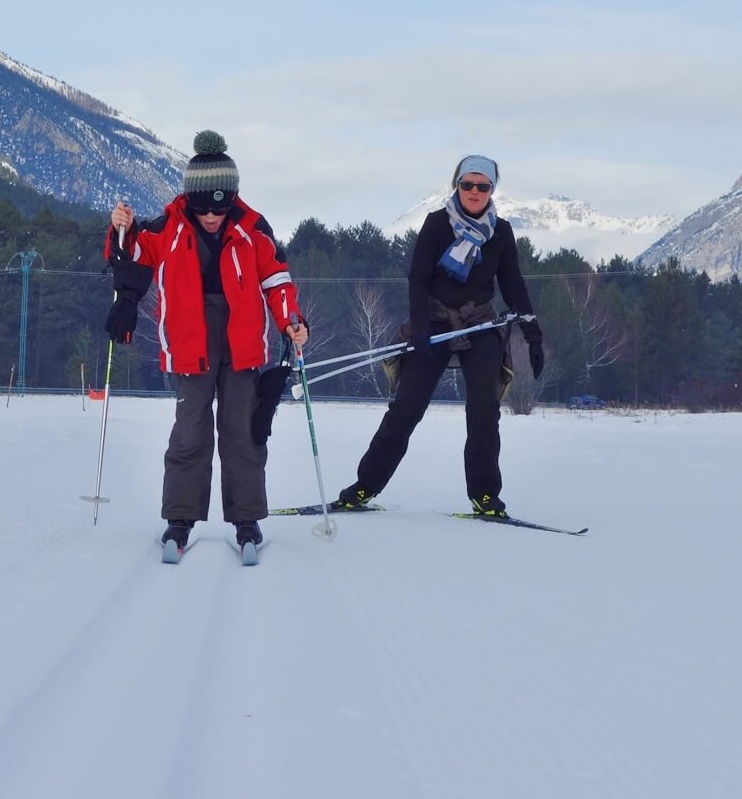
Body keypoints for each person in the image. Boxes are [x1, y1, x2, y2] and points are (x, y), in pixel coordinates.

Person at [104, 131, 308, 551]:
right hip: (189, 340)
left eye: (220, 209)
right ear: (189, 200)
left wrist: (291, 319)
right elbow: (132, 255)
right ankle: (180, 519)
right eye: (203, 210)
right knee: (190, 431)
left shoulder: (253, 226)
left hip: (242, 341)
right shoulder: (167, 226)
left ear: (231, 199)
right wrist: (120, 229)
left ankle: (246, 520)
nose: (212, 218)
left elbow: (277, 279)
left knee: (243, 431)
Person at [335, 155, 543, 517]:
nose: (474, 192)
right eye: (467, 185)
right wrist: (419, 328)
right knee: (406, 409)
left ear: (492, 190)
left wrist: (533, 333)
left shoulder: (501, 232)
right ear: (456, 186)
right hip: (432, 323)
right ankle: (364, 486)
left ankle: (485, 496)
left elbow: (513, 286)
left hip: (479, 323)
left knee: (483, 411)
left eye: (483, 186)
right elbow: (417, 278)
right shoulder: (436, 224)